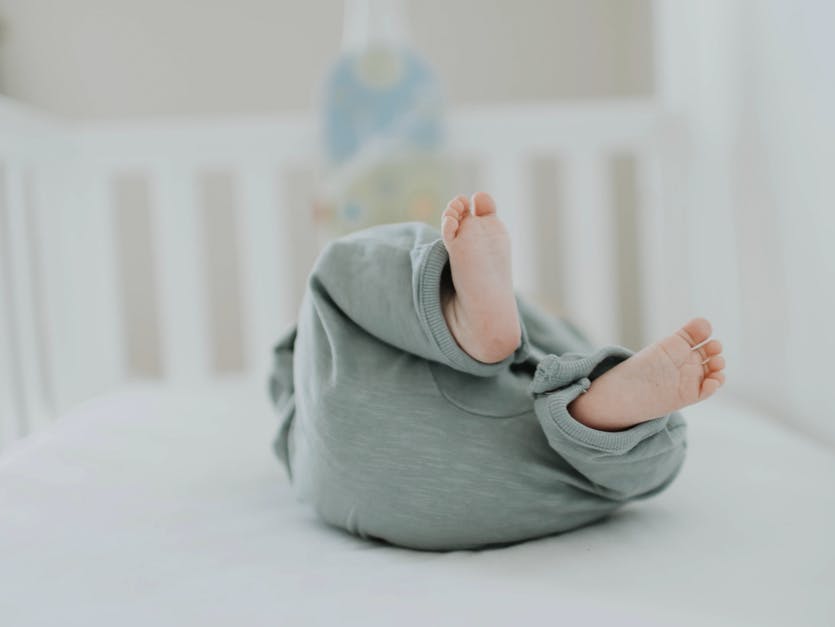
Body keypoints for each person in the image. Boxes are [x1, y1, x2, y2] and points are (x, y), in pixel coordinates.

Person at [269, 192, 727, 551]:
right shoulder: (568, 347)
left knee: (343, 270)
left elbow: (286, 370)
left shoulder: (307, 403)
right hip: (512, 478)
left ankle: (449, 312)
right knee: (660, 446)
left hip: (351, 477)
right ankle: (595, 422)